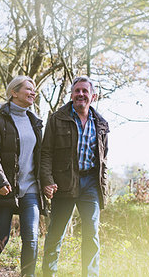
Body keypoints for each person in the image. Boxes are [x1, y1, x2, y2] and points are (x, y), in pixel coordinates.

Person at [41, 76, 109, 277]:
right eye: (77, 91)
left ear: (93, 96)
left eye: (85, 91)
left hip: (90, 184)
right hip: (64, 182)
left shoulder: (101, 124)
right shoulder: (57, 118)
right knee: (56, 233)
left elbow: (104, 160)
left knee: (91, 233)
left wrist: (102, 187)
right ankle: (49, 274)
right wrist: (47, 180)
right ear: (71, 95)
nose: (81, 94)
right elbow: (46, 153)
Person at [0, 75, 46, 277]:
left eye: (34, 89)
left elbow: (41, 156)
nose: (33, 92)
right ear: (14, 92)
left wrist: (47, 182)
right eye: (28, 88)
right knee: (1, 237)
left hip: (31, 188)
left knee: (32, 237)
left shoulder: (35, 122)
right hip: (5, 188)